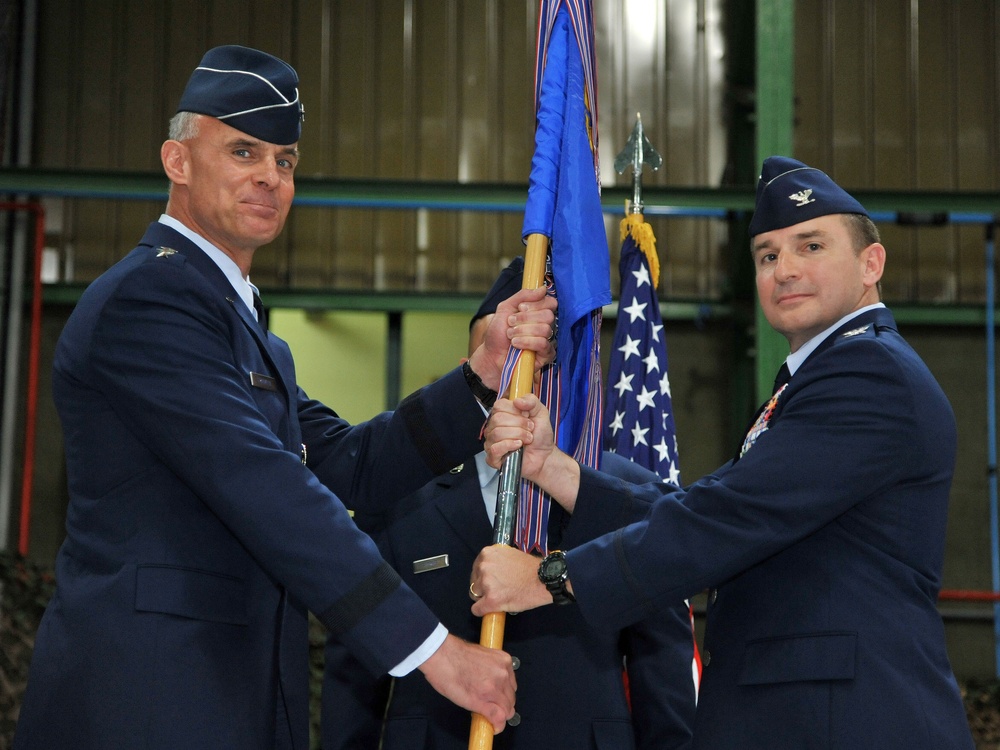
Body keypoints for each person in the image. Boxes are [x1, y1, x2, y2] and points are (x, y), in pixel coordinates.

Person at [13, 45, 556, 750]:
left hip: (231, 704)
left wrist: (478, 378)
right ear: (177, 162)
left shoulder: (245, 333)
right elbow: (270, 492)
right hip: (147, 704)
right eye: (243, 152)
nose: (269, 176)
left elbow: (348, 463)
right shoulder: (148, 301)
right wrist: (432, 651)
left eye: (285, 160)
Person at [471, 156, 976, 749]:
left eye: (810, 246)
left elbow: (730, 519)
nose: (784, 269)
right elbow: (714, 510)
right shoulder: (821, 379)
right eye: (768, 255)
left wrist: (551, 578)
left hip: (845, 722)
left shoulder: (868, 373)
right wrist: (552, 468)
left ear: (872, 263)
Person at [322, 258, 697, 749]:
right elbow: (356, 669)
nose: (522, 384)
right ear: (469, 371)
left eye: (540, 366)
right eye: (506, 362)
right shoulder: (397, 492)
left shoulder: (624, 494)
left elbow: (662, 668)